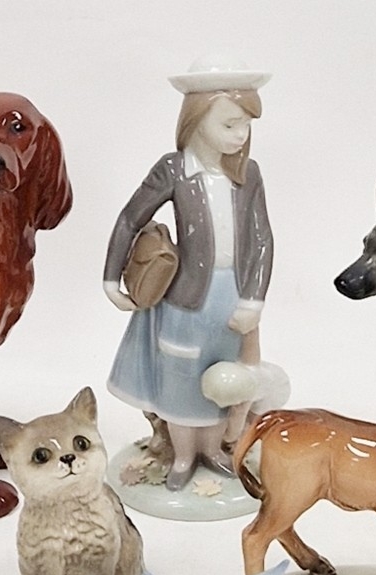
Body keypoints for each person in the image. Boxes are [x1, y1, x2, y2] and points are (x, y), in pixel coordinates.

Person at [103, 57, 274, 491]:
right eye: (230, 124)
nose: (241, 135)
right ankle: (181, 455)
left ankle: (213, 450)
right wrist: (111, 277)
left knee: (220, 379)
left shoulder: (248, 174)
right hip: (186, 297)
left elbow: (262, 238)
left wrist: (253, 299)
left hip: (231, 295)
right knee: (181, 380)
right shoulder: (174, 169)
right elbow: (131, 218)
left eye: (245, 125)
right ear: (196, 120)